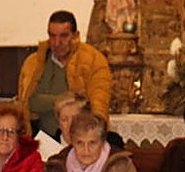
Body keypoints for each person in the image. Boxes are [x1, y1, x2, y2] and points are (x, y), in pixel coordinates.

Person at [17, 10, 113, 139]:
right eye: (52, 36)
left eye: (63, 36)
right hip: (40, 138)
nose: (57, 43)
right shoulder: (33, 63)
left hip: (81, 139)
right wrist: (67, 101)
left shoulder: (93, 61)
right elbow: (29, 103)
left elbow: (98, 106)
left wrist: (45, 101)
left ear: (76, 35)